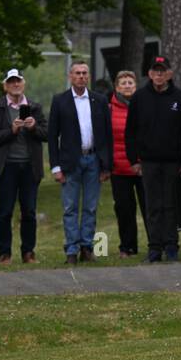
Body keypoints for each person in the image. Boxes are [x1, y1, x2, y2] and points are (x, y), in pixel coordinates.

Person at [49, 61, 113, 263]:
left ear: (89, 76)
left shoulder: (99, 100)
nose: (81, 76)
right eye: (77, 73)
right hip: (70, 161)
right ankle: (71, 250)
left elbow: (107, 134)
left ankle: (87, 247)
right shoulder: (60, 101)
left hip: (93, 159)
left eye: (85, 73)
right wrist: (55, 166)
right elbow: (52, 136)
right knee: (70, 207)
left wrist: (106, 165)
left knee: (90, 207)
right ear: (70, 76)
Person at [127, 56, 181, 263]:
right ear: (150, 74)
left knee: (171, 205)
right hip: (148, 161)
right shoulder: (139, 98)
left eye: (163, 71)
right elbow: (131, 131)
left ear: (169, 73)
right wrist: (134, 160)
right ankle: (154, 247)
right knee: (152, 205)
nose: (159, 75)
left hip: (173, 161)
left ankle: (171, 246)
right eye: (156, 71)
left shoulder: (179, 97)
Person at [0, 68, 48, 264]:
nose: (15, 84)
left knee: (29, 211)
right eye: (11, 81)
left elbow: (46, 133)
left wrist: (32, 128)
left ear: (23, 83)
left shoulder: (34, 107)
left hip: (30, 167)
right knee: (5, 211)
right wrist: (11, 130)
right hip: (7, 167)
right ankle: (4, 253)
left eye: (18, 81)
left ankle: (28, 252)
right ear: (5, 85)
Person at [109, 70, 146, 258]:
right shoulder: (109, 108)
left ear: (136, 85)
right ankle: (127, 247)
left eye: (130, 82)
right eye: (123, 83)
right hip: (119, 168)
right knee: (124, 210)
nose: (127, 85)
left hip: (143, 167)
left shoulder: (144, 106)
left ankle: (156, 244)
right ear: (117, 87)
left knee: (149, 208)